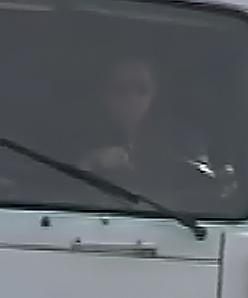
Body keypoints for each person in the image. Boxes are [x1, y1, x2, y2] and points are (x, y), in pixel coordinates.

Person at [73, 56, 238, 212]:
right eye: (121, 90)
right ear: (104, 94)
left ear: (155, 96)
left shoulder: (181, 141)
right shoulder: (77, 134)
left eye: (142, 90)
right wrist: (91, 163)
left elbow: (204, 185)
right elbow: (58, 189)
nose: (132, 99)